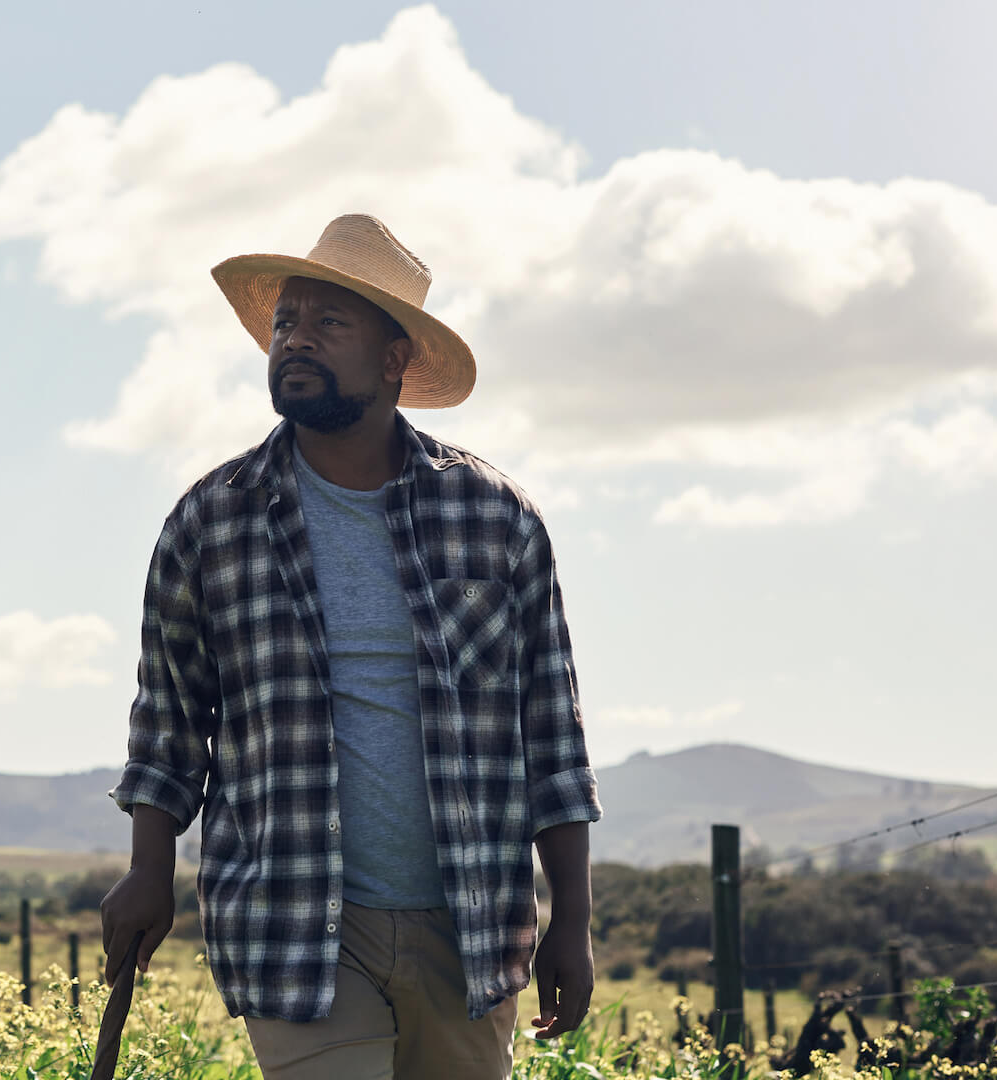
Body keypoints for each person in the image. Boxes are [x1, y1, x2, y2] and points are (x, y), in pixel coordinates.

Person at [101, 214, 602, 1079]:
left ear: (395, 359)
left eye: (329, 323)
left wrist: (575, 922)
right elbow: (170, 721)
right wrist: (149, 868)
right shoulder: (212, 520)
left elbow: (550, 733)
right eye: (286, 322)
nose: (295, 340)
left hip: (471, 920)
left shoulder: (495, 518)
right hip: (294, 917)